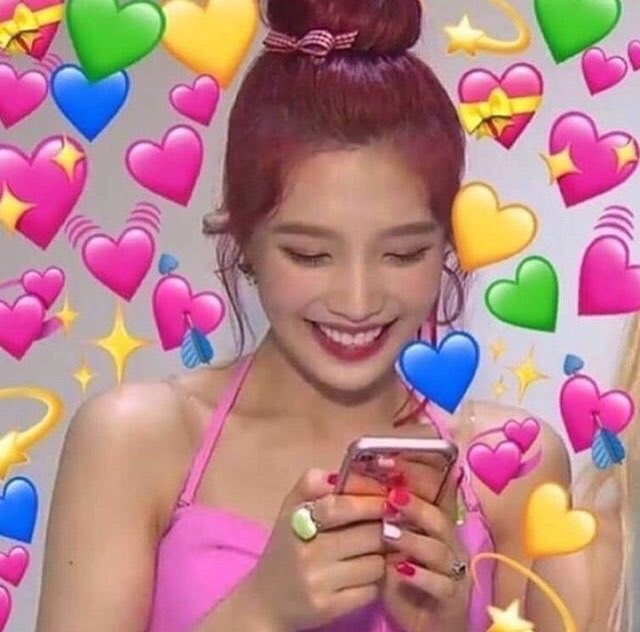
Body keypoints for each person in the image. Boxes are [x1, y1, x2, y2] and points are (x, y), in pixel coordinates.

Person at [36, 1, 594, 630]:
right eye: (309, 254)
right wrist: (260, 609)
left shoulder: (512, 467)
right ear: (243, 238)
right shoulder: (136, 442)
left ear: (449, 244)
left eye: (403, 253)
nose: (357, 301)